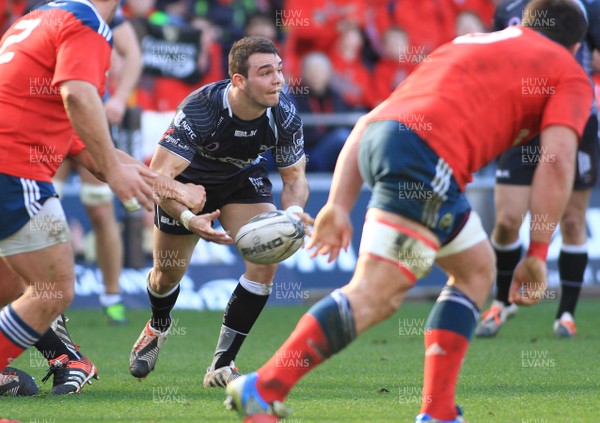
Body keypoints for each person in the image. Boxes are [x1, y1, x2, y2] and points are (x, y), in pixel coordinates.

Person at [223, 1, 592, 422]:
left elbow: (372, 120)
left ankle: (439, 413)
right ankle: (263, 387)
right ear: (576, 44)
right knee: (376, 294)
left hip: (393, 146)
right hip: (426, 163)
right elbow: (558, 160)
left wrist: (340, 205)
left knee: (477, 269)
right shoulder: (568, 71)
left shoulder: (467, 42)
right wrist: (538, 255)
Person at [0, 0, 202, 390]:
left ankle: (66, 358)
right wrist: (113, 171)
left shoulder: (39, 18)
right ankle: (70, 357)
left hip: (12, 165)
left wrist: (175, 189)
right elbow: (78, 97)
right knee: (52, 289)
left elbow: (89, 148)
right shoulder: (86, 21)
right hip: (14, 168)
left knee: (10, 286)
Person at [128, 36, 309, 389]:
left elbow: (295, 177)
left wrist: (294, 213)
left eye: (280, 70)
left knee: (265, 261)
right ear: (239, 81)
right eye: (266, 72)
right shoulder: (200, 110)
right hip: (186, 189)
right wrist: (188, 218)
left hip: (240, 181)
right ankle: (159, 324)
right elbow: (159, 179)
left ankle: (222, 364)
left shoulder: (284, 114)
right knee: (165, 277)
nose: (278, 80)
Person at [476, 0, 600, 339]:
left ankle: (566, 314)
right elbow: (498, 56)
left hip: (575, 117)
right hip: (524, 118)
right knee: (506, 221)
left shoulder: (588, 7)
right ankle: (503, 302)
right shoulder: (508, 8)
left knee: (573, 220)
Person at [53, 12, 143, 325]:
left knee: (101, 211)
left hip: (88, 125)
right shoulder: (44, 9)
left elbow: (131, 53)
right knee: (42, 214)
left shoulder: (104, 13)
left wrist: (118, 98)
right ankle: (41, 298)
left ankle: (112, 296)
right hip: (48, 127)